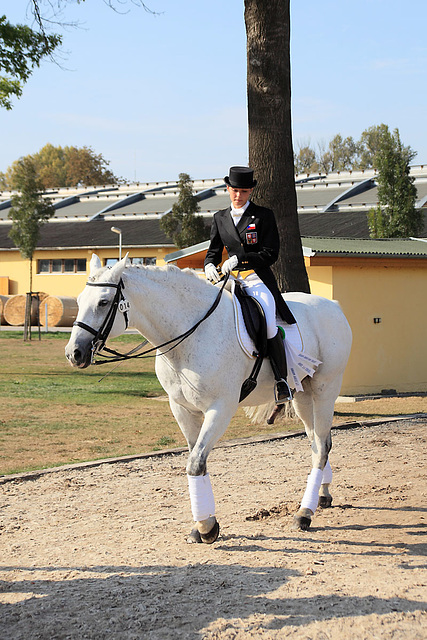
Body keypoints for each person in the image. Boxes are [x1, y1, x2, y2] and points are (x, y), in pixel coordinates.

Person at [204, 165, 294, 403]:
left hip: (256, 278)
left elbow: (270, 253)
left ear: (251, 191)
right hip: (230, 280)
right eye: (234, 190)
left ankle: (281, 380)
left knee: (268, 321)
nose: (238, 195)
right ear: (228, 189)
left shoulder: (263, 216)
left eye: (243, 191)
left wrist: (240, 258)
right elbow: (213, 252)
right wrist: (209, 265)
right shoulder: (219, 218)